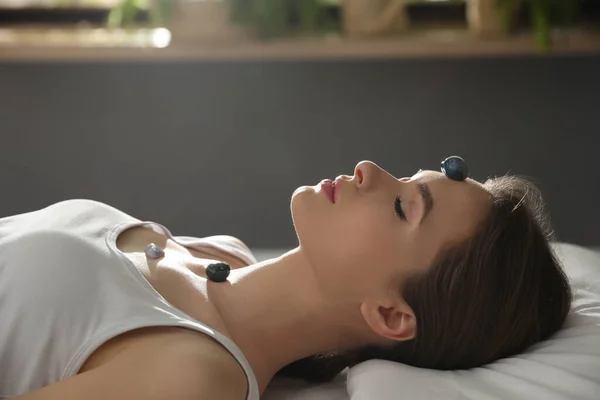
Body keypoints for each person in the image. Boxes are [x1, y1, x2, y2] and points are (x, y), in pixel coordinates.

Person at [0, 159, 572, 400]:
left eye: (402, 207)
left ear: (390, 314)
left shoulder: (191, 376)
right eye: (403, 175)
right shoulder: (221, 252)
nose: (370, 170)